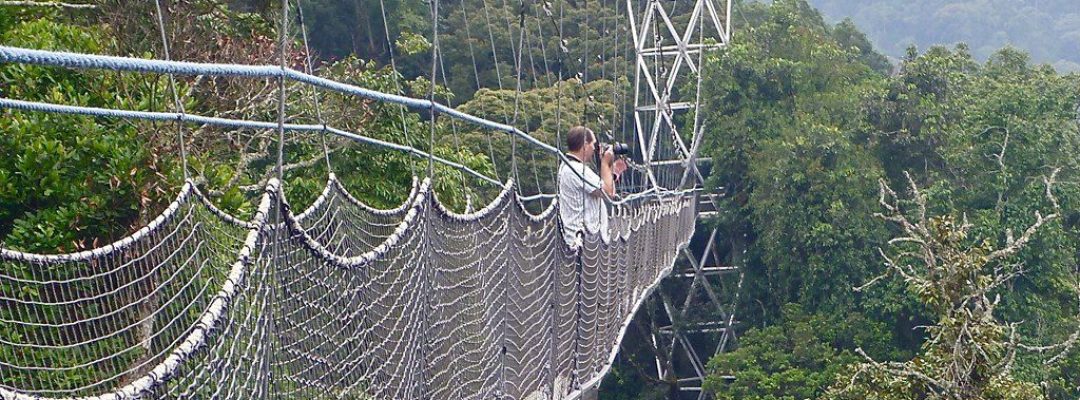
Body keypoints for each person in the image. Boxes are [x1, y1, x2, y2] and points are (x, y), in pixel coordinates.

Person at [557, 126, 626, 244]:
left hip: (583, 240)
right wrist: (605, 163)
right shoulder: (577, 169)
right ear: (585, 145)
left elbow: (605, 188)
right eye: (593, 144)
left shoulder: (568, 166)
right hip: (584, 243)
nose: (594, 148)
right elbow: (609, 193)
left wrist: (611, 171)